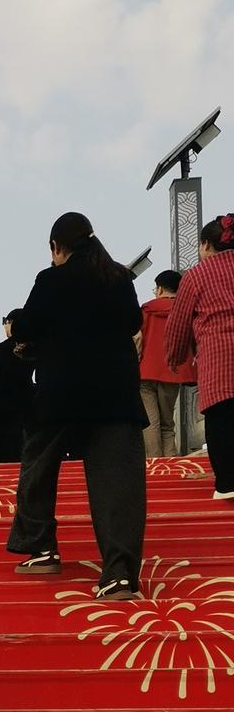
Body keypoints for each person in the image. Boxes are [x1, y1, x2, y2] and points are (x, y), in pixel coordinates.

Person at [6, 211, 145, 600]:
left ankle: (41, 548)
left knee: (38, 466)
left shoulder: (51, 280)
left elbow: (25, 327)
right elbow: (133, 323)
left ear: (56, 247)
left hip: (61, 394)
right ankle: (119, 574)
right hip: (115, 395)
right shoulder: (119, 278)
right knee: (118, 483)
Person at [166, 213, 234, 501]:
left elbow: (178, 323)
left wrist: (174, 356)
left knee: (221, 420)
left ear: (206, 244)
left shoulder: (196, 275)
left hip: (219, 361)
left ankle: (228, 484)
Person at [138, 270, 195, 459]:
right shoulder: (185, 312)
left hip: (146, 373)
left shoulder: (146, 311)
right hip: (172, 373)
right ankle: (171, 462)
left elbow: (137, 340)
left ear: (160, 289)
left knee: (150, 422)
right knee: (167, 423)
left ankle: (154, 463)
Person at [0, 311, 34, 465]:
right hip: (26, 407)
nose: (5, 327)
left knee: (2, 453)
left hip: (0, 410)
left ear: (14, 324)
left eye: (6, 322)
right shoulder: (33, 349)